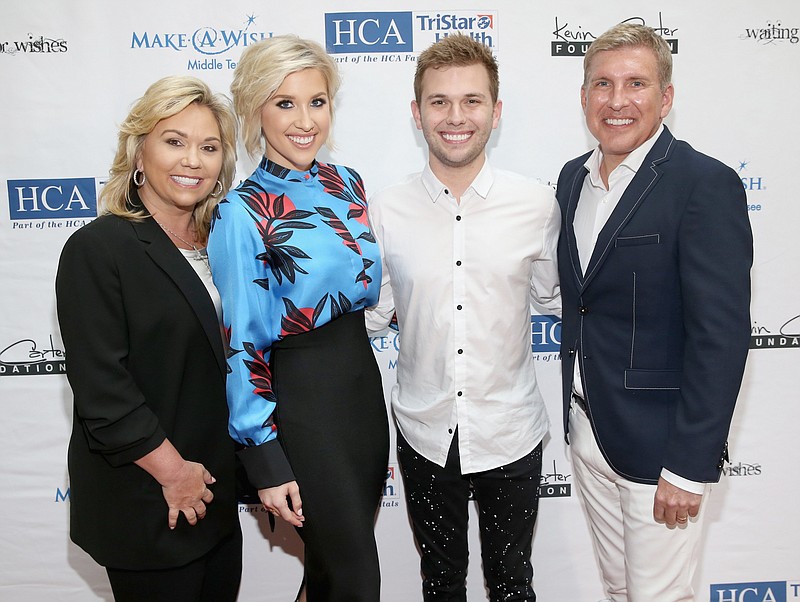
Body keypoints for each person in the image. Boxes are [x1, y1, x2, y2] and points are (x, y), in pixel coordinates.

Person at [556, 23, 753, 601]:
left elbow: (721, 336)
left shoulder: (704, 184)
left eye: (636, 83)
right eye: (602, 84)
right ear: (584, 96)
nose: (617, 101)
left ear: (665, 97)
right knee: (621, 593)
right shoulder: (574, 179)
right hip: (590, 433)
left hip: (661, 449)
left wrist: (690, 465)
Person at [365, 35, 561, 601]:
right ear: (417, 112)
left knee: (513, 585)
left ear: (495, 113)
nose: (456, 117)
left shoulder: (536, 205)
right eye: (439, 101)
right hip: (424, 433)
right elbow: (372, 315)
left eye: (472, 101)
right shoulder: (385, 209)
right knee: (441, 585)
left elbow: (555, 295)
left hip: (511, 431)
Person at [207, 35, 389, 601]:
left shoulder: (348, 184)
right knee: (358, 581)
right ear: (256, 111)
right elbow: (242, 340)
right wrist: (262, 452)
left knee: (330, 577)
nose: (305, 120)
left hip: (360, 392)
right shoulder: (241, 211)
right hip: (302, 405)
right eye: (284, 103)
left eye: (317, 101)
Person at [55, 76, 241, 602]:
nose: (192, 160)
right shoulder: (99, 248)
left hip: (213, 492)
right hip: (149, 496)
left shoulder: (220, 243)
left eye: (209, 147)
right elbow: (102, 388)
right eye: (174, 141)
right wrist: (174, 473)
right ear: (140, 151)